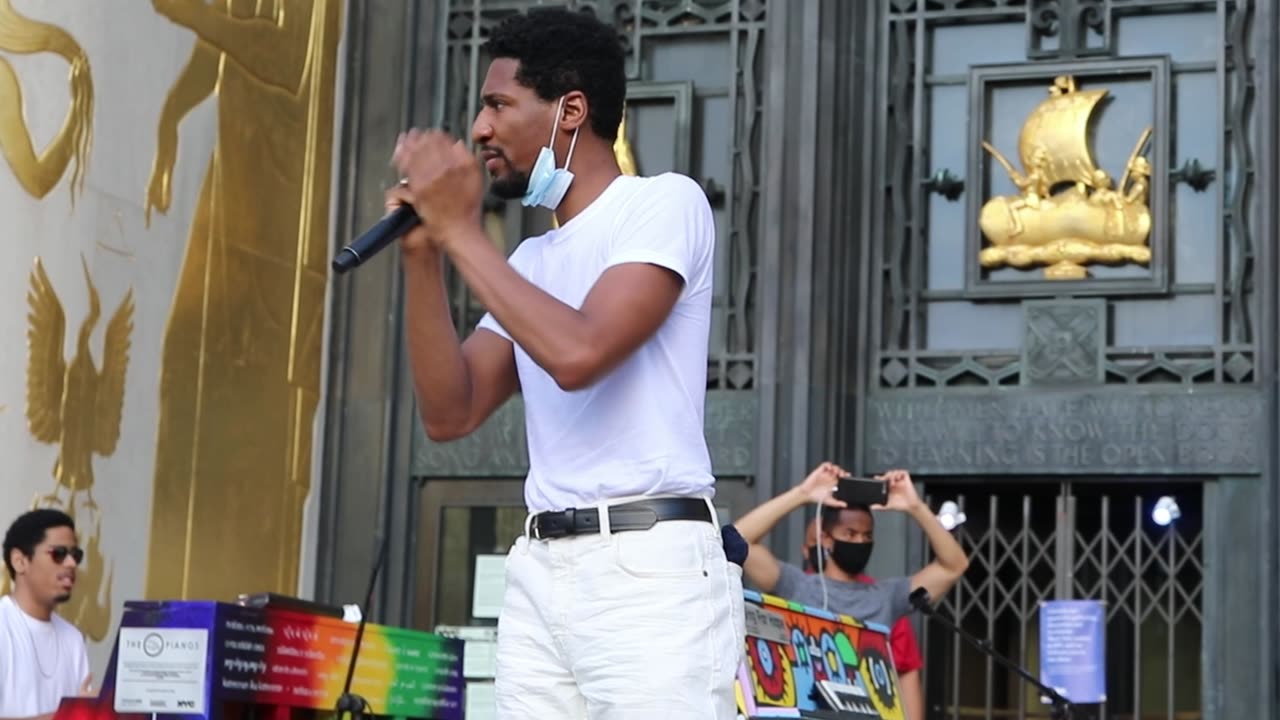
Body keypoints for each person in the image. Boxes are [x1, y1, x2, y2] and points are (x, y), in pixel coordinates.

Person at [386, 7, 741, 719]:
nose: (479, 128)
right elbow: (450, 413)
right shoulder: (529, 260)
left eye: (497, 104)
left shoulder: (663, 204)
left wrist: (461, 230)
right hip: (542, 570)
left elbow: (579, 353)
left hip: (648, 572)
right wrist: (426, 259)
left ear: (570, 110)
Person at [735, 462, 969, 633]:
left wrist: (914, 506)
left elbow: (953, 566)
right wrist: (802, 494)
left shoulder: (886, 597)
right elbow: (737, 539)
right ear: (825, 538)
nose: (860, 542)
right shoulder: (797, 586)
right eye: (850, 534)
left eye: (867, 535)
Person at [801, 516, 926, 720]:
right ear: (805, 550)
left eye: (862, 535)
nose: (823, 548)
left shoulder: (882, 601)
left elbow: (907, 671)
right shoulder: (793, 595)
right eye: (815, 543)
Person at [1, 509, 93, 720]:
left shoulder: (73, 639)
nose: (71, 564)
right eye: (58, 554)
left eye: (75, 555)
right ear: (20, 561)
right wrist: (64, 717)